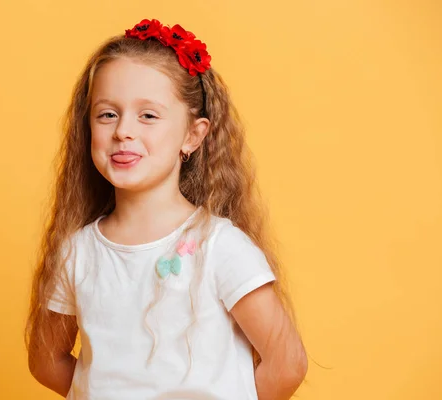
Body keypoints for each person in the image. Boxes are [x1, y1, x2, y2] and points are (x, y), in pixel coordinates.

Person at [26, 18, 308, 400]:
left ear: (192, 135)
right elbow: (46, 360)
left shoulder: (219, 247)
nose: (124, 130)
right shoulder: (77, 253)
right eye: (107, 114)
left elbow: (286, 363)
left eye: (148, 115)